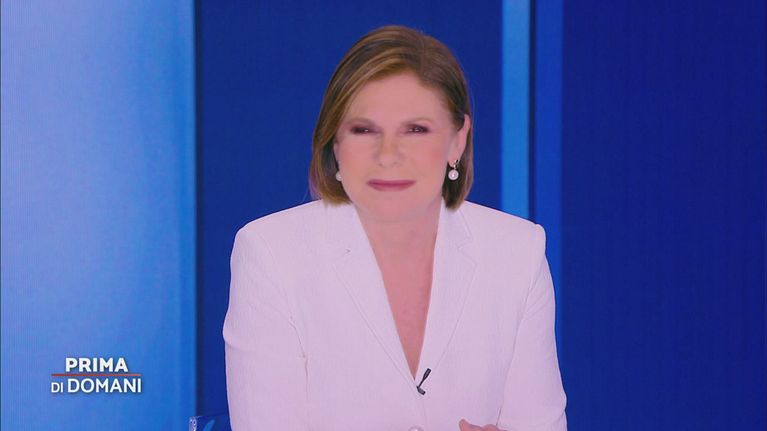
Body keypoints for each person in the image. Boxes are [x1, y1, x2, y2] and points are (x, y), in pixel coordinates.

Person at [223, 25, 567, 431]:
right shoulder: (271, 254)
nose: (388, 155)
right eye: (364, 130)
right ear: (335, 144)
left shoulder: (518, 252)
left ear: (457, 141)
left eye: (416, 130)